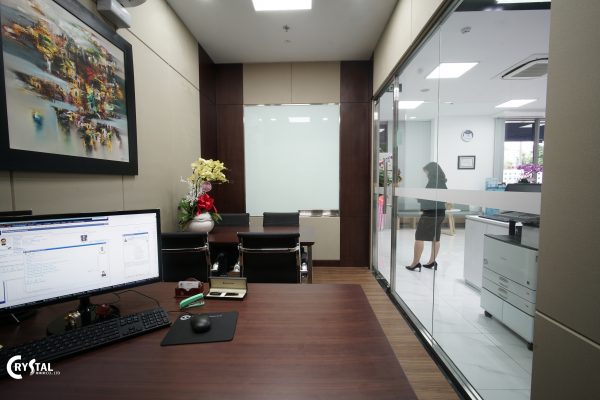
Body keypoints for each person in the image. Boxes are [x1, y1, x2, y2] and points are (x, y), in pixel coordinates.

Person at [406, 162, 447, 272]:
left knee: (419, 237)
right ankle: (432, 262)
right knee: (436, 237)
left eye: (426, 172)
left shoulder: (433, 182)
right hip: (440, 213)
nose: (426, 174)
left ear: (431, 171)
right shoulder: (442, 182)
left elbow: (428, 199)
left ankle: (415, 263)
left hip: (430, 213)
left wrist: (419, 197)